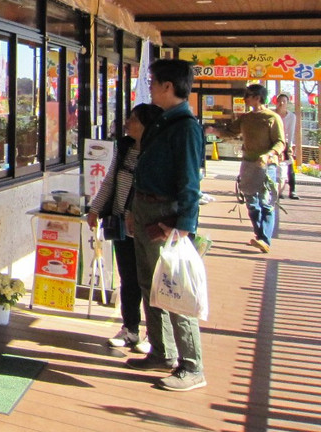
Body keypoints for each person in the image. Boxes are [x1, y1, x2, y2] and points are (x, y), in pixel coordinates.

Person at [126, 59, 206, 392]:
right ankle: (161, 351)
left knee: (174, 289)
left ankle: (192, 366)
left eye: (153, 81)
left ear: (168, 87)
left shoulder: (185, 126)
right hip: (145, 207)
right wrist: (133, 209)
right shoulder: (163, 121)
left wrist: (181, 226)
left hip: (165, 215)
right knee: (150, 284)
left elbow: (190, 182)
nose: (150, 86)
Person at [87, 102, 162, 353]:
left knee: (150, 281)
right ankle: (130, 328)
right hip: (121, 223)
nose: (127, 122)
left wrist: (133, 213)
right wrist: (96, 208)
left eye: (133, 119)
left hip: (146, 225)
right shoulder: (125, 147)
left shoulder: (156, 152)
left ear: (146, 125)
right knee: (128, 278)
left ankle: (155, 335)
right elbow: (110, 179)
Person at [212, 84, 286, 252]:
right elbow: (230, 131)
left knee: (266, 202)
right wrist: (213, 130)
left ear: (258, 97)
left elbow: (280, 142)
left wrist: (269, 154)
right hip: (248, 163)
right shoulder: (245, 118)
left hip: (267, 165)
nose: (245, 98)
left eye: (248, 95)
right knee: (252, 202)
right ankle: (260, 235)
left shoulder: (272, 117)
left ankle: (264, 239)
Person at [275, 93, 299, 199]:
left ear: (287, 103)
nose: (281, 103)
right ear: (276, 102)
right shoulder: (272, 114)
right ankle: (276, 189)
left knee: (290, 165)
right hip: (273, 142)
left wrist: (289, 146)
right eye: (279, 101)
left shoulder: (291, 116)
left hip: (285, 142)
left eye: (284, 101)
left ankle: (292, 190)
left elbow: (291, 131)